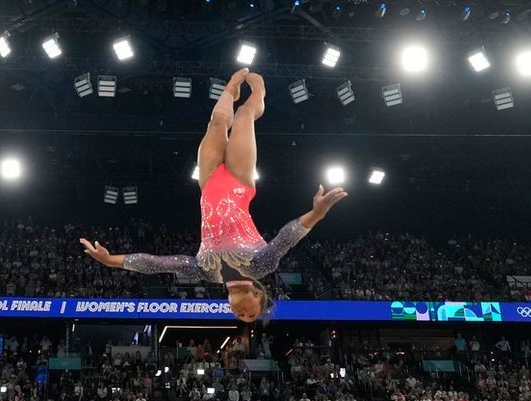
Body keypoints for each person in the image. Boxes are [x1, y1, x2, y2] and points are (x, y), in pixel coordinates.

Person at [80, 68, 347, 323]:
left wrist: (110, 260)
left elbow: (157, 263)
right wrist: (317, 213)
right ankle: (259, 95)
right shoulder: (260, 268)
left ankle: (230, 88)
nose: (242, 314)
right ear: (258, 295)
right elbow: (285, 239)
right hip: (240, 183)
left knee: (217, 122)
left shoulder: (206, 272)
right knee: (243, 115)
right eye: (250, 314)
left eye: (239, 317)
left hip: (208, 184)